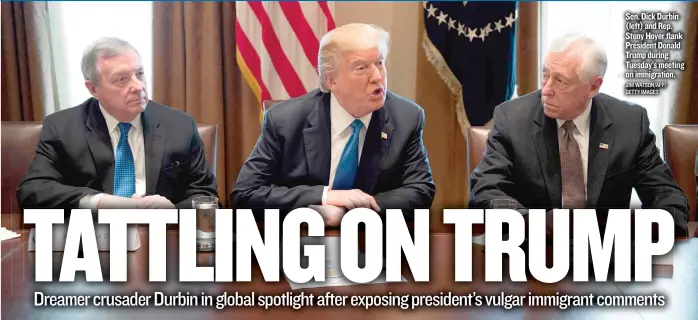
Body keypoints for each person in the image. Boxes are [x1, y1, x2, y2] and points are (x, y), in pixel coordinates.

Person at [469, 34, 688, 235]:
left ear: (593, 86)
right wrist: (534, 223)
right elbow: (485, 191)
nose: (546, 90)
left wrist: (630, 232)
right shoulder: (512, 119)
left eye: (561, 81)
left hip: (607, 258)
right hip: (535, 252)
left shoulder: (629, 124)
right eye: (545, 75)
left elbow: (669, 198)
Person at [231, 23, 435, 225]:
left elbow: (421, 191)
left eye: (379, 63)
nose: (377, 77)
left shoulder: (407, 117)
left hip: (373, 243)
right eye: (361, 67)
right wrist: (324, 197)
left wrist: (350, 212)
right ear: (332, 81)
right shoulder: (286, 121)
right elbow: (246, 194)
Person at [17, 37, 218, 210]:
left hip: (159, 237)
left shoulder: (179, 126)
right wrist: (99, 202)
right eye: (122, 80)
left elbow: (207, 196)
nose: (138, 86)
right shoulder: (62, 127)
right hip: (92, 239)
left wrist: (173, 210)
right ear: (93, 89)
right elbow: (33, 190)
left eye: (139, 74)